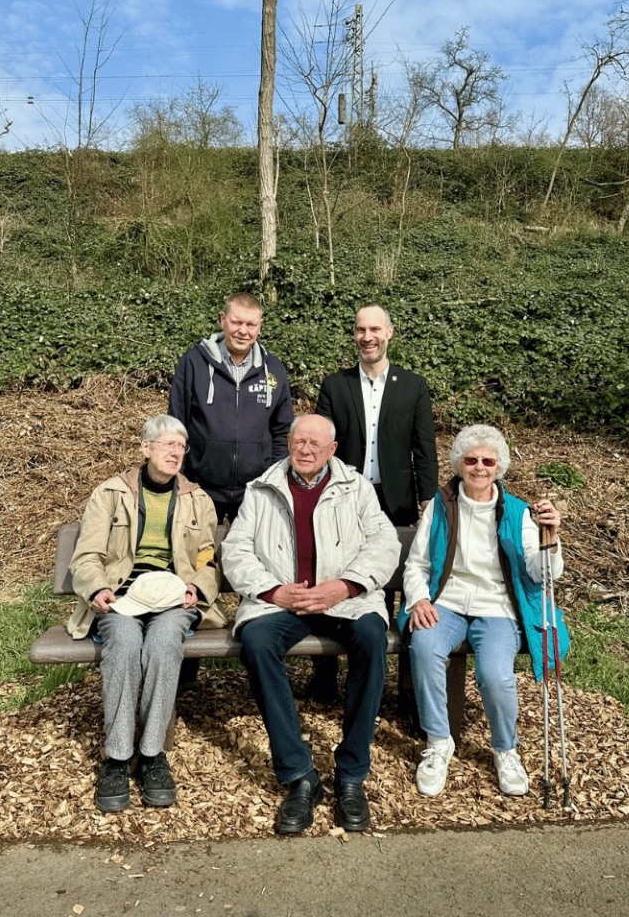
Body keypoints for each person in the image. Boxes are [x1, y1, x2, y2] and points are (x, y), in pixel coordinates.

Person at [222, 415, 401, 834]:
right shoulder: (262, 488)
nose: (305, 450)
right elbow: (236, 551)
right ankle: (299, 774)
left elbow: (384, 542)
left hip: (343, 599)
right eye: (298, 441)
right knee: (257, 641)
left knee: (372, 639)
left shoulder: (356, 488)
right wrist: (272, 591)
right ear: (288, 443)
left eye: (315, 445)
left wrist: (346, 585)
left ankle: (352, 773)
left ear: (332, 450)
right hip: (282, 601)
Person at [395, 424, 567, 798]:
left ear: (498, 466)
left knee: (495, 675)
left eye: (487, 461)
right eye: (471, 460)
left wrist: (550, 537)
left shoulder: (519, 512)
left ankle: (506, 749)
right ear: (459, 464)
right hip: (448, 602)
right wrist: (420, 600)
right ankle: (439, 742)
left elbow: (544, 575)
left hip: (497, 607)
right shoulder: (441, 505)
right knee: (424, 649)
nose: (478, 467)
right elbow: (417, 565)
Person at [67, 415, 227, 813]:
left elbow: (209, 560)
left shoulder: (197, 499)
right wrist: (99, 588)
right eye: (168, 445)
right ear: (146, 448)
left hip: (174, 600)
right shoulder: (110, 494)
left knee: (161, 644)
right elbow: (86, 557)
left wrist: (198, 588)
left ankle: (153, 754)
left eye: (181, 447)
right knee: (122, 643)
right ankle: (118, 757)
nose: (176, 453)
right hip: (122, 597)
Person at [310, 303, 438, 701]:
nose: (368, 337)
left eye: (375, 329)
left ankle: (381, 677)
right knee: (332, 573)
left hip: (394, 500)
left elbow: (425, 450)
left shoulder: (413, 386)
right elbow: (318, 446)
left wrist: (430, 505)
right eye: (361, 329)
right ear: (355, 334)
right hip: (342, 497)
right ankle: (325, 674)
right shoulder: (336, 385)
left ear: (390, 333)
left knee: (386, 584)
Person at [169, 292, 295, 523]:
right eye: (236, 322)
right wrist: (183, 478)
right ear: (223, 320)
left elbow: (282, 431)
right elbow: (176, 424)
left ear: (260, 326)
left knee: (250, 558)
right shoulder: (193, 363)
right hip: (201, 488)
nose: (243, 331)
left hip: (255, 492)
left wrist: (271, 478)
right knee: (200, 557)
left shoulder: (274, 369)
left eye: (250, 324)